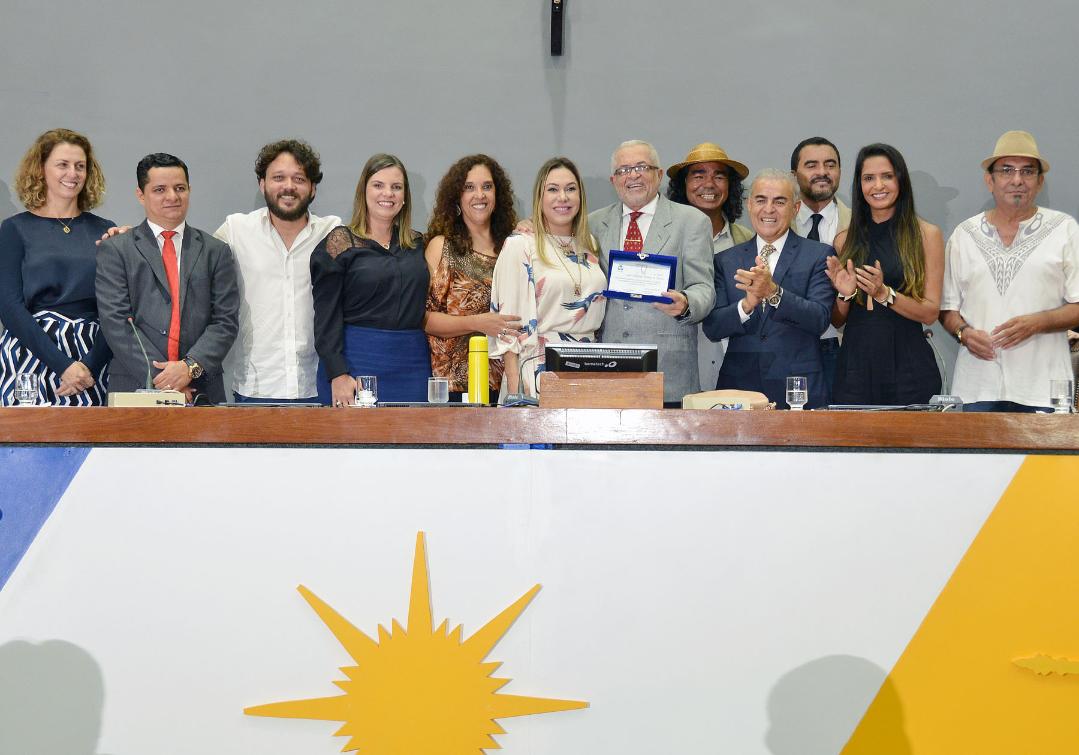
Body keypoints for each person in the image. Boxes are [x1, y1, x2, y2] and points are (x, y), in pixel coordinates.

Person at [940, 130, 1079, 411]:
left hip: (1044, 389)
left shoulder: (1064, 230)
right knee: (976, 456)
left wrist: (1037, 323)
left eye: (1027, 172)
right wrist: (964, 334)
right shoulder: (964, 235)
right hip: (977, 387)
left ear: (1040, 182)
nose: (1017, 180)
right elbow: (946, 309)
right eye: (1006, 171)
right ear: (989, 180)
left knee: (1046, 458)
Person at [96, 153, 240, 403]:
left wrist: (188, 369)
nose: (172, 196)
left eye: (180, 188)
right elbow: (116, 322)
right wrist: (164, 380)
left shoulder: (216, 250)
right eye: (160, 189)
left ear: (189, 190)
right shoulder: (116, 249)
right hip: (134, 385)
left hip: (201, 387)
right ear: (141, 195)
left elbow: (225, 322)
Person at [214, 139, 340, 403]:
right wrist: (133, 239)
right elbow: (189, 259)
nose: (289, 187)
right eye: (278, 178)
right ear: (262, 184)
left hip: (319, 386)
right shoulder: (236, 230)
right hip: (255, 388)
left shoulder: (333, 233)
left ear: (313, 188)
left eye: (299, 179)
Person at [591, 140, 715, 404]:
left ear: (659, 174)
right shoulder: (592, 224)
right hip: (607, 372)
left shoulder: (691, 222)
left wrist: (686, 304)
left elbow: (704, 288)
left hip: (669, 372)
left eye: (642, 167)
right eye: (624, 170)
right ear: (614, 180)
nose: (633, 175)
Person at [0, 128, 114, 406]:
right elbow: (9, 307)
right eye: (62, 165)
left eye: (80, 166)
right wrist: (63, 366)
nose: (72, 174)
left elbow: (117, 310)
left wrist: (88, 367)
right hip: (31, 352)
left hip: (89, 359)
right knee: (24, 443)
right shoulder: (15, 229)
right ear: (41, 169)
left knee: (87, 445)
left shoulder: (105, 231)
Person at [702, 169, 833, 409]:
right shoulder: (725, 260)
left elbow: (819, 319)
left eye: (779, 201)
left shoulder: (819, 254)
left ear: (794, 209)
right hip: (739, 388)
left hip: (797, 389)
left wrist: (774, 293)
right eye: (761, 200)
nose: (769, 209)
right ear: (749, 205)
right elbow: (713, 327)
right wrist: (746, 305)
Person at [828, 144, 943, 405]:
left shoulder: (927, 235)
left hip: (910, 368)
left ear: (900, 180)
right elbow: (837, 321)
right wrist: (845, 296)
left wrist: (885, 294)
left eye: (887, 176)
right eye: (869, 178)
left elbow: (930, 313)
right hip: (855, 369)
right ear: (859, 185)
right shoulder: (844, 241)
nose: (878, 186)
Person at [311, 153, 429, 407]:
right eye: (378, 185)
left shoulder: (419, 244)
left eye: (396, 187)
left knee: (413, 444)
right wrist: (338, 373)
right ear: (363, 191)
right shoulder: (338, 244)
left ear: (405, 196)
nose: (388, 193)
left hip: (412, 364)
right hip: (356, 363)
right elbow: (325, 317)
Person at [489, 157, 606, 403]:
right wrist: (516, 393)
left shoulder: (590, 245)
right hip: (537, 371)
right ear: (539, 198)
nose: (562, 197)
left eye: (570, 189)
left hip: (589, 370)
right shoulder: (521, 245)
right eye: (552, 189)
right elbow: (509, 329)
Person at [424, 154, 521, 399]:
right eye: (469, 188)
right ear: (457, 196)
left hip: (509, 385)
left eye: (487, 187)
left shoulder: (515, 247)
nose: (480, 195)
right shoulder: (442, 247)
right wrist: (477, 323)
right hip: (456, 388)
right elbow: (424, 319)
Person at [666, 141, 750, 392]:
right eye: (698, 175)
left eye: (719, 176)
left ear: (731, 187)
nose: (709, 184)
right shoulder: (663, 239)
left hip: (734, 363)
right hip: (678, 363)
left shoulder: (745, 240)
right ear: (683, 185)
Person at [790, 137, 851, 390]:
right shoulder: (772, 224)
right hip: (788, 348)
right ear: (794, 175)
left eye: (830, 165)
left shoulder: (860, 226)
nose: (822, 172)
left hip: (842, 350)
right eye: (812, 165)